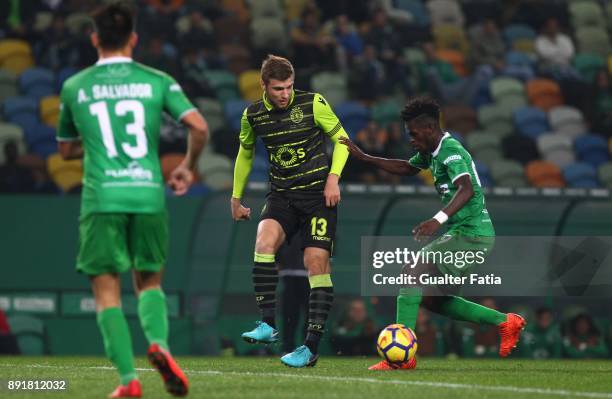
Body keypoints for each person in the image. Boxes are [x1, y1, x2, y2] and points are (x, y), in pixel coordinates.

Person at [56, 2, 208, 397]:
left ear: (94, 39)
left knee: (107, 293)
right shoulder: (157, 80)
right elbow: (198, 126)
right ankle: (159, 344)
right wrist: (187, 167)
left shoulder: (76, 86)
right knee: (149, 282)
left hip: (101, 197)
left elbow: (66, 151)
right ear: (134, 39)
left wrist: (92, 142)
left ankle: (128, 381)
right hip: (147, 194)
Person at [340, 97, 526, 370]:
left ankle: (402, 360)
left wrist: (437, 220)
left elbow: (466, 188)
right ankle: (505, 322)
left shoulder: (451, 151)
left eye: (413, 134)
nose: (411, 140)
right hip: (465, 233)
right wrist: (365, 157)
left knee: (411, 272)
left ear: (428, 129)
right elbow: (407, 167)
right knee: (433, 299)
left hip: (472, 233)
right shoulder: (431, 151)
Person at [231, 54, 349, 368]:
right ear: (264, 86)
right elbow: (245, 153)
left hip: (318, 198)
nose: (285, 94)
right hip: (282, 196)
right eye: (278, 89)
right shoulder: (253, 115)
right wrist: (235, 197)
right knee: (263, 242)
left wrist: (333, 179)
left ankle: (309, 347)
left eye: (289, 87)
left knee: (315, 263)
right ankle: (267, 325)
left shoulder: (313, 104)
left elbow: (342, 141)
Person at [277, 233, 310, 354]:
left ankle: (308, 347)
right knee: (289, 314)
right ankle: (287, 348)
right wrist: (278, 260)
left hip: (309, 275)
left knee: (310, 314)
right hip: (288, 274)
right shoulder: (286, 224)